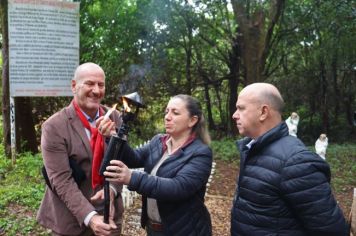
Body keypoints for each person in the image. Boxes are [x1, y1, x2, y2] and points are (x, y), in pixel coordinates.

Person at [231, 83, 348, 236]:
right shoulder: (252, 149)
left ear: (263, 112)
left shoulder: (295, 162)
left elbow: (332, 231)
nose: (234, 115)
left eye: (241, 108)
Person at [100, 94, 213, 236]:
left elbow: (178, 187)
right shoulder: (158, 142)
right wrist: (114, 137)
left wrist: (132, 178)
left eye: (175, 113)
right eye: (167, 111)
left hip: (184, 230)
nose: (167, 117)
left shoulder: (200, 153)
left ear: (192, 120)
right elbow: (134, 159)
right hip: (154, 229)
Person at [37, 62, 124, 236]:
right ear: (74, 86)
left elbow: (121, 162)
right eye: (90, 83)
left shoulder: (114, 117)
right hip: (71, 221)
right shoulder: (54, 126)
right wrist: (90, 217)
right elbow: (60, 180)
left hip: (110, 216)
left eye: (101, 84)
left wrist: (113, 192)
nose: (97, 90)